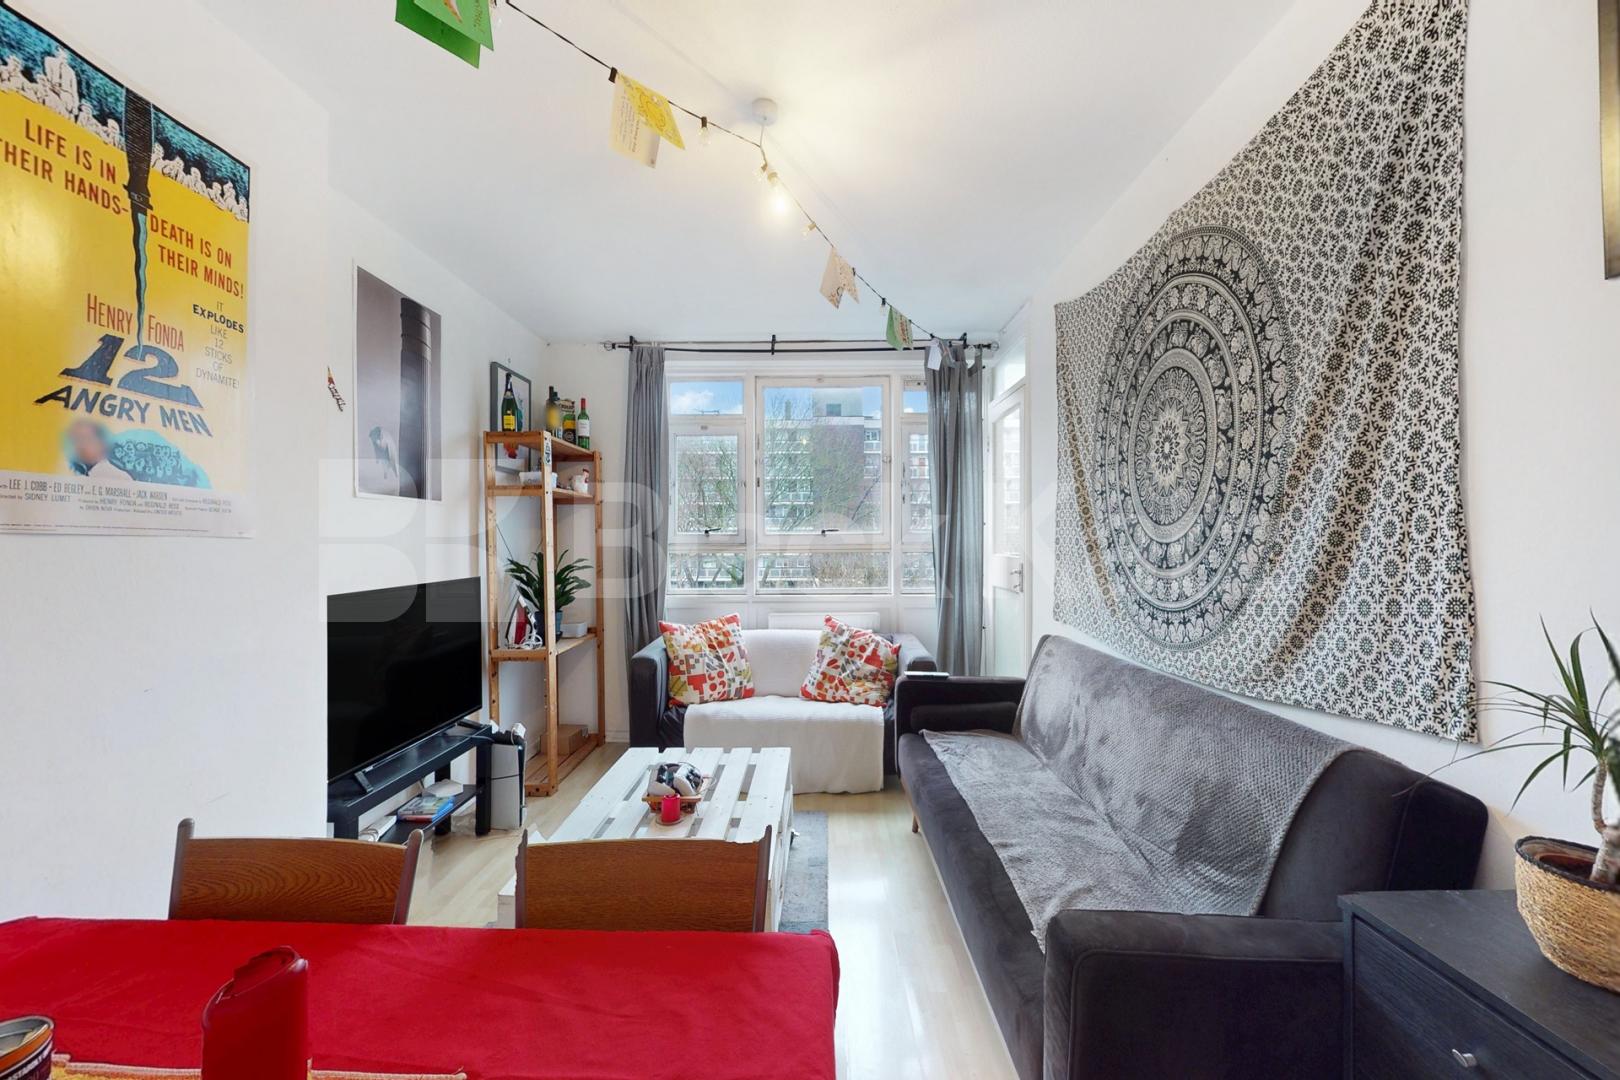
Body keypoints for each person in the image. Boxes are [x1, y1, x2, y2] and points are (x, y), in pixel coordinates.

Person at [67, 420, 131, 480]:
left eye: (86, 439)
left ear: (101, 443)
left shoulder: (116, 476)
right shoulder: (81, 473)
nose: (80, 446)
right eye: (76, 440)